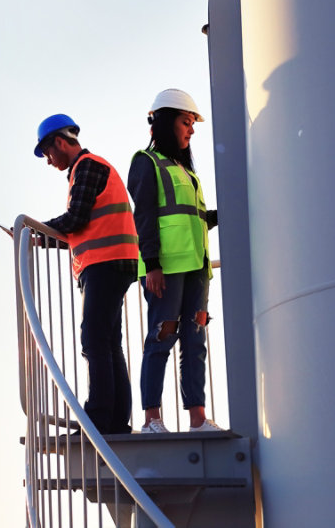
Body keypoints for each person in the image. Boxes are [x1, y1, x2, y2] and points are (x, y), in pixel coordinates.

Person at [35, 113, 140, 436]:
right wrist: (43, 238)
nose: (49, 160)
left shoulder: (88, 166)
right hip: (111, 262)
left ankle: (98, 421)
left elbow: (76, 218)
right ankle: (116, 422)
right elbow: (82, 229)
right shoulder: (87, 170)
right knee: (108, 342)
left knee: (94, 340)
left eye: (48, 152)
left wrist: (37, 228)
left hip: (106, 264)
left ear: (60, 142)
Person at [128, 89, 221, 434]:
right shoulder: (146, 162)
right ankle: (153, 419)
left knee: (194, 340)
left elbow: (191, 216)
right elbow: (146, 216)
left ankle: (198, 419)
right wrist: (151, 264)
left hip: (197, 267)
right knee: (162, 338)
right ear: (167, 122)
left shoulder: (185, 169)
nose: (191, 130)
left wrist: (220, 214)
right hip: (165, 268)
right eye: (186, 122)